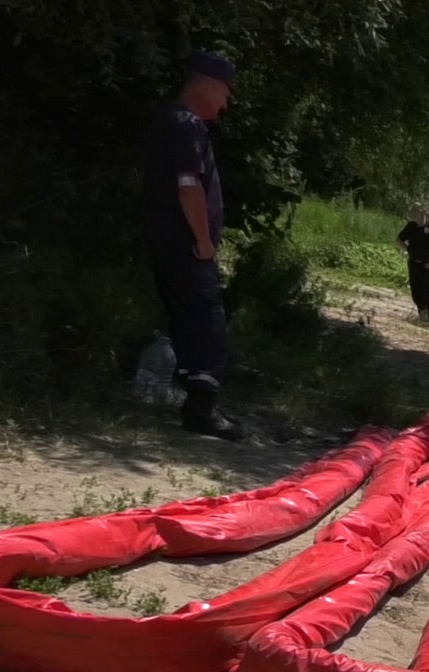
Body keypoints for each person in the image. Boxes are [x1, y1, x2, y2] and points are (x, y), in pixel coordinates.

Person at [143, 49, 245, 441]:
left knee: (184, 318)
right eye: (225, 92)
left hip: (165, 240)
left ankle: (191, 401)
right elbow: (189, 186)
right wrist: (203, 240)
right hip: (187, 245)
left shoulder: (165, 121)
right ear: (205, 84)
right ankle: (202, 410)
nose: (226, 103)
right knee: (206, 321)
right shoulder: (186, 125)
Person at [396, 205, 429, 323]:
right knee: (416, 290)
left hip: (428, 264)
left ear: (425, 214)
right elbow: (398, 239)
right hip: (414, 263)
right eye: (415, 213)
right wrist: (407, 249)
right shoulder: (411, 227)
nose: (418, 216)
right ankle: (423, 315)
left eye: (420, 213)